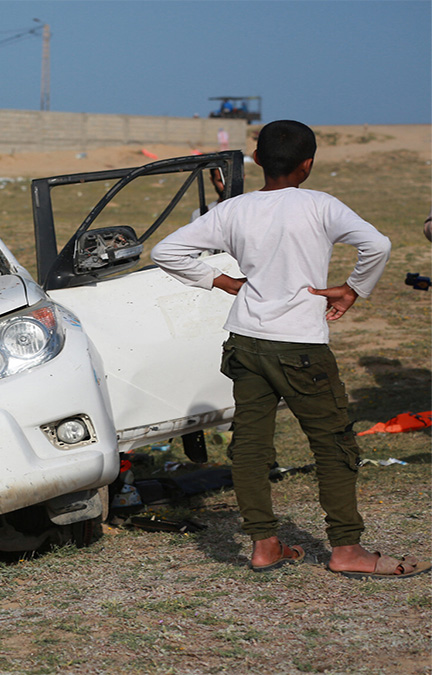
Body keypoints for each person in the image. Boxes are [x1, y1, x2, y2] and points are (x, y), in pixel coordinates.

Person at [151, 120, 428, 579]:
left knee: (251, 446)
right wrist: (352, 289)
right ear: (308, 164)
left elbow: (166, 251)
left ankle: (264, 545)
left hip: (245, 341)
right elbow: (377, 245)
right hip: (301, 347)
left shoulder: (233, 210)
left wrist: (222, 281)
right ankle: (347, 549)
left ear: (258, 160)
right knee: (333, 445)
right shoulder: (320, 205)